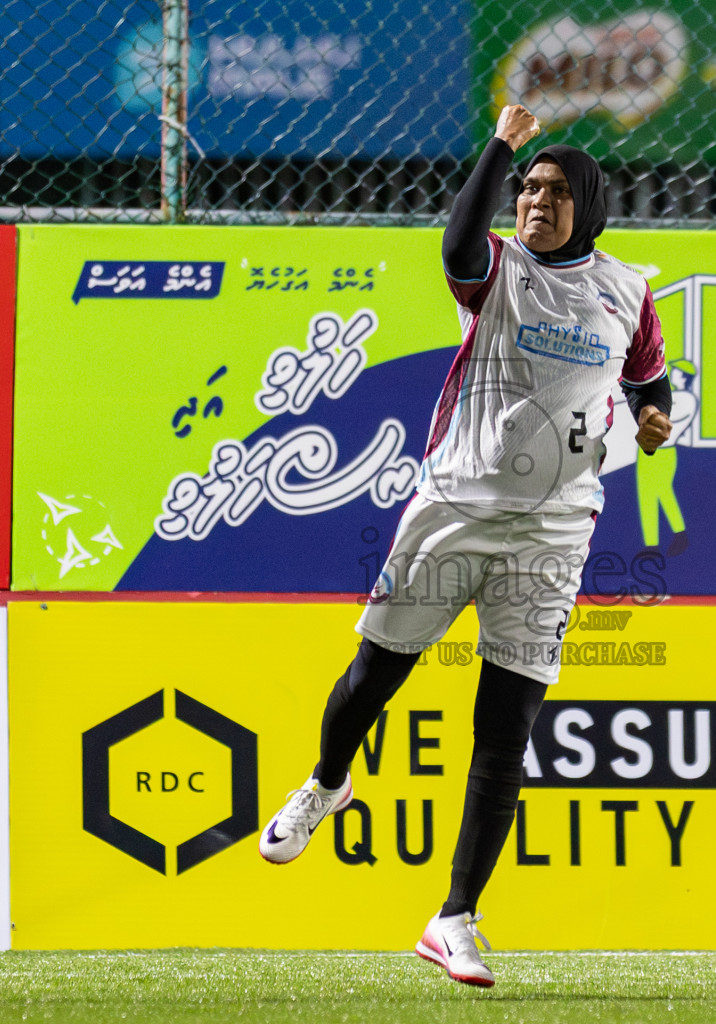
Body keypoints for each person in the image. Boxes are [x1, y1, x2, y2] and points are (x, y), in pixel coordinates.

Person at [257, 103, 673, 988]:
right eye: (528, 189)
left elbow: (649, 380)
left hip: (555, 529)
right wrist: (502, 144)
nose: (537, 201)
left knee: (506, 726)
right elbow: (455, 245)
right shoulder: (498, 270)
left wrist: (652, 418)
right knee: (375, 675)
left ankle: (454, 919)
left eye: (556, 192)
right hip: (454, 506)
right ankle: (327, 782)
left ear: (590, 206)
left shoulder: (630, 292)